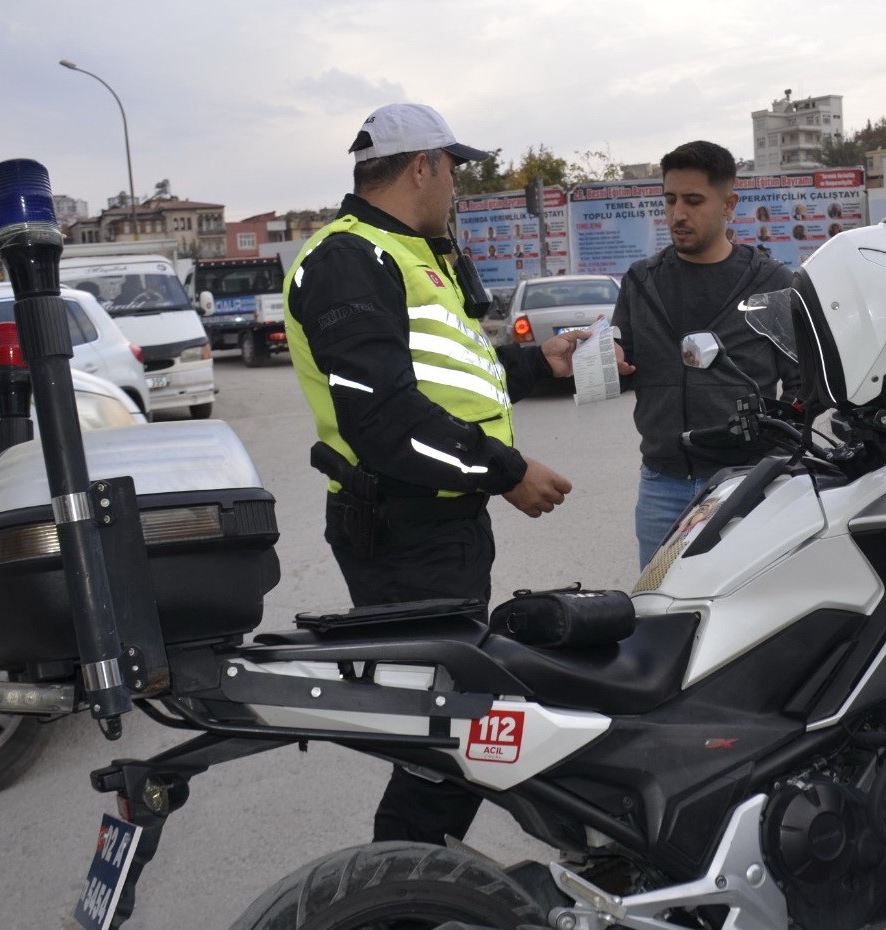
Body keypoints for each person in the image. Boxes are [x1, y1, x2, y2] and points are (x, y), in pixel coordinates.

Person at [283, 102, 622, 845]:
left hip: (437, 527)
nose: (458, 189)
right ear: (420, 167)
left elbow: (449, 380)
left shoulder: (408, 254)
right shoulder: (351, 258)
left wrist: (541, 364)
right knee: (446, 731)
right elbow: (382, 420)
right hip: (405, 533)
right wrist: (506, 472)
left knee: (449, 720)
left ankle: (414, 882)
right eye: (454, 171)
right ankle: (400, 892)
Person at [612, 141, 798, 568]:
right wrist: (599, 363)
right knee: (657, 614)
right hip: (662, 484)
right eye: (671, 200)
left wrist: (772, 444)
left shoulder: (769, 282)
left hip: (745, 486)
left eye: (694, 201)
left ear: (728, 204)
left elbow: (804, 380)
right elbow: (623, 367)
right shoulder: (642, 281)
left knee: (746, 615)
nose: (678, 214)